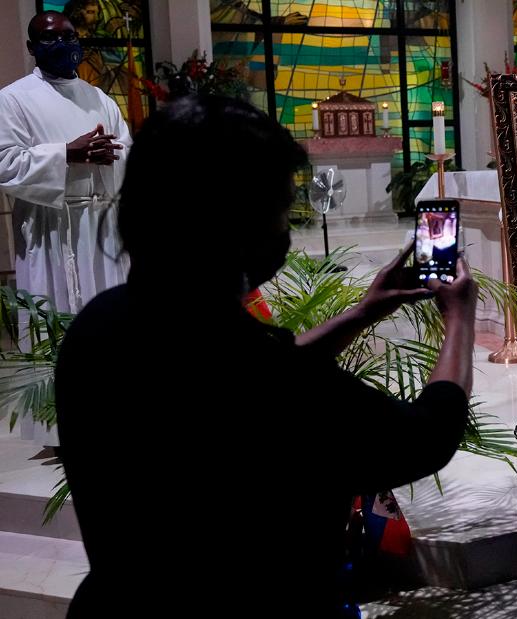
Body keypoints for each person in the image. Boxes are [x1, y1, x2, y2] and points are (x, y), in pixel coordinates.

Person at [54, 94, 479, 617]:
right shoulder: (276, 384)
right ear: (239, 227)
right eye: (281, 212)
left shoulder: (97, 327)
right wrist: (459, 318)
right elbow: (427, 435)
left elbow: (259, 364)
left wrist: (362, 312)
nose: (286, 232)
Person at [0, 11, 129, 313]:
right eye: (49, 37)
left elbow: (129, 153)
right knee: (56, 312)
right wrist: (66, 154)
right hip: (50, 228)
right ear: (31, 47)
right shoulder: (12, 99)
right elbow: (5, 163)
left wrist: (111, 155)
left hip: (102, 224)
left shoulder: (100, 98)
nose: (62, 43)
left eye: (69, 36)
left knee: (108, 314)